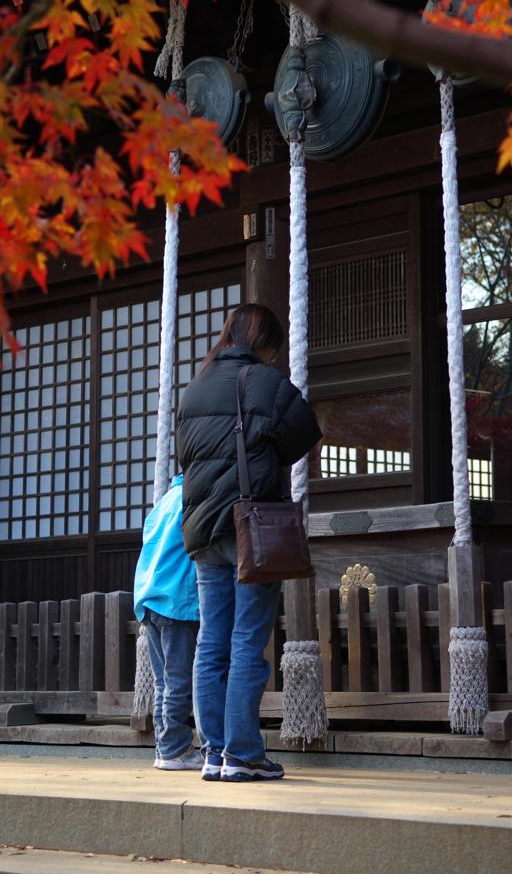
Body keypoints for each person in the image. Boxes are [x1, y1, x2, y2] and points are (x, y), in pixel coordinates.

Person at [177, 303, 322, 783]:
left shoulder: (194, 388)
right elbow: (305, 434)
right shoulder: (264, 382)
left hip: (202, 530)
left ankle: (214, 752)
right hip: (251, 529)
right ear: (265, 343)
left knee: (210, 643)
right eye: (273, 350)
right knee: (245, 643)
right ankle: (242, 753)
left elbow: (189, 456)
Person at [133, 473, 202, 770]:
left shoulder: (163, 503)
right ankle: (175, 749)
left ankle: (166, 748)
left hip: (150, 598)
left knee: (165, 683)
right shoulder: (191, 500)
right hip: (176, 599)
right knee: (178, 681)